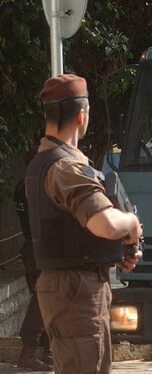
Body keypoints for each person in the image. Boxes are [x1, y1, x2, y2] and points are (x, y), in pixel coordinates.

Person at [25, 74, 143, 373]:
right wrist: (131, 223)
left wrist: (113, 253)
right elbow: (105, 224)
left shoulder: (47, 160)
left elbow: (71, 230)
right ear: (81, 115)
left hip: (71, 285)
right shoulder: (66, 167)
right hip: (75, 290)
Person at [13, 146, 52, 371]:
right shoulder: (34, 187)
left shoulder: (22, 186)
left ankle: (46, 352)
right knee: (42, 300)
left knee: (47, 301)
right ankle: (29, 353)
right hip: (40, 250)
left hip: (33, 249)